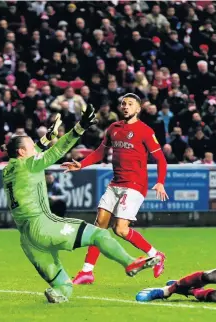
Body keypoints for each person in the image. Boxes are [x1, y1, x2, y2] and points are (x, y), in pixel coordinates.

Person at [1, 106, 158, 304]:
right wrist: (79, 128)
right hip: (42, 226)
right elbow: (58, 150)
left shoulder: (8, 170)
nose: (36, 149)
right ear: (22, 152)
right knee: (99, 234)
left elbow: (35, 153)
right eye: (32, 146)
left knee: (63, 285)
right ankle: (129, 263)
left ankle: (59, 294)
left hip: (27, 240)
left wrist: (45, 139)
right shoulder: (29, 164)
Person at [61, 94, 168, 284]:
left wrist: (160, 181)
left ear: (138, 109)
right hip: (115, 183)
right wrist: (82, 165)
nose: (125, 106)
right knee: (98, 226)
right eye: (123, 104)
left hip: (135, 185)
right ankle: (87, 271)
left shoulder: (145, 131)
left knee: (120, 230)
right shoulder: (114, 128)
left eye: (130, 104)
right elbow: (101, 151)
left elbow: (160, 159)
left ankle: (156, 254)